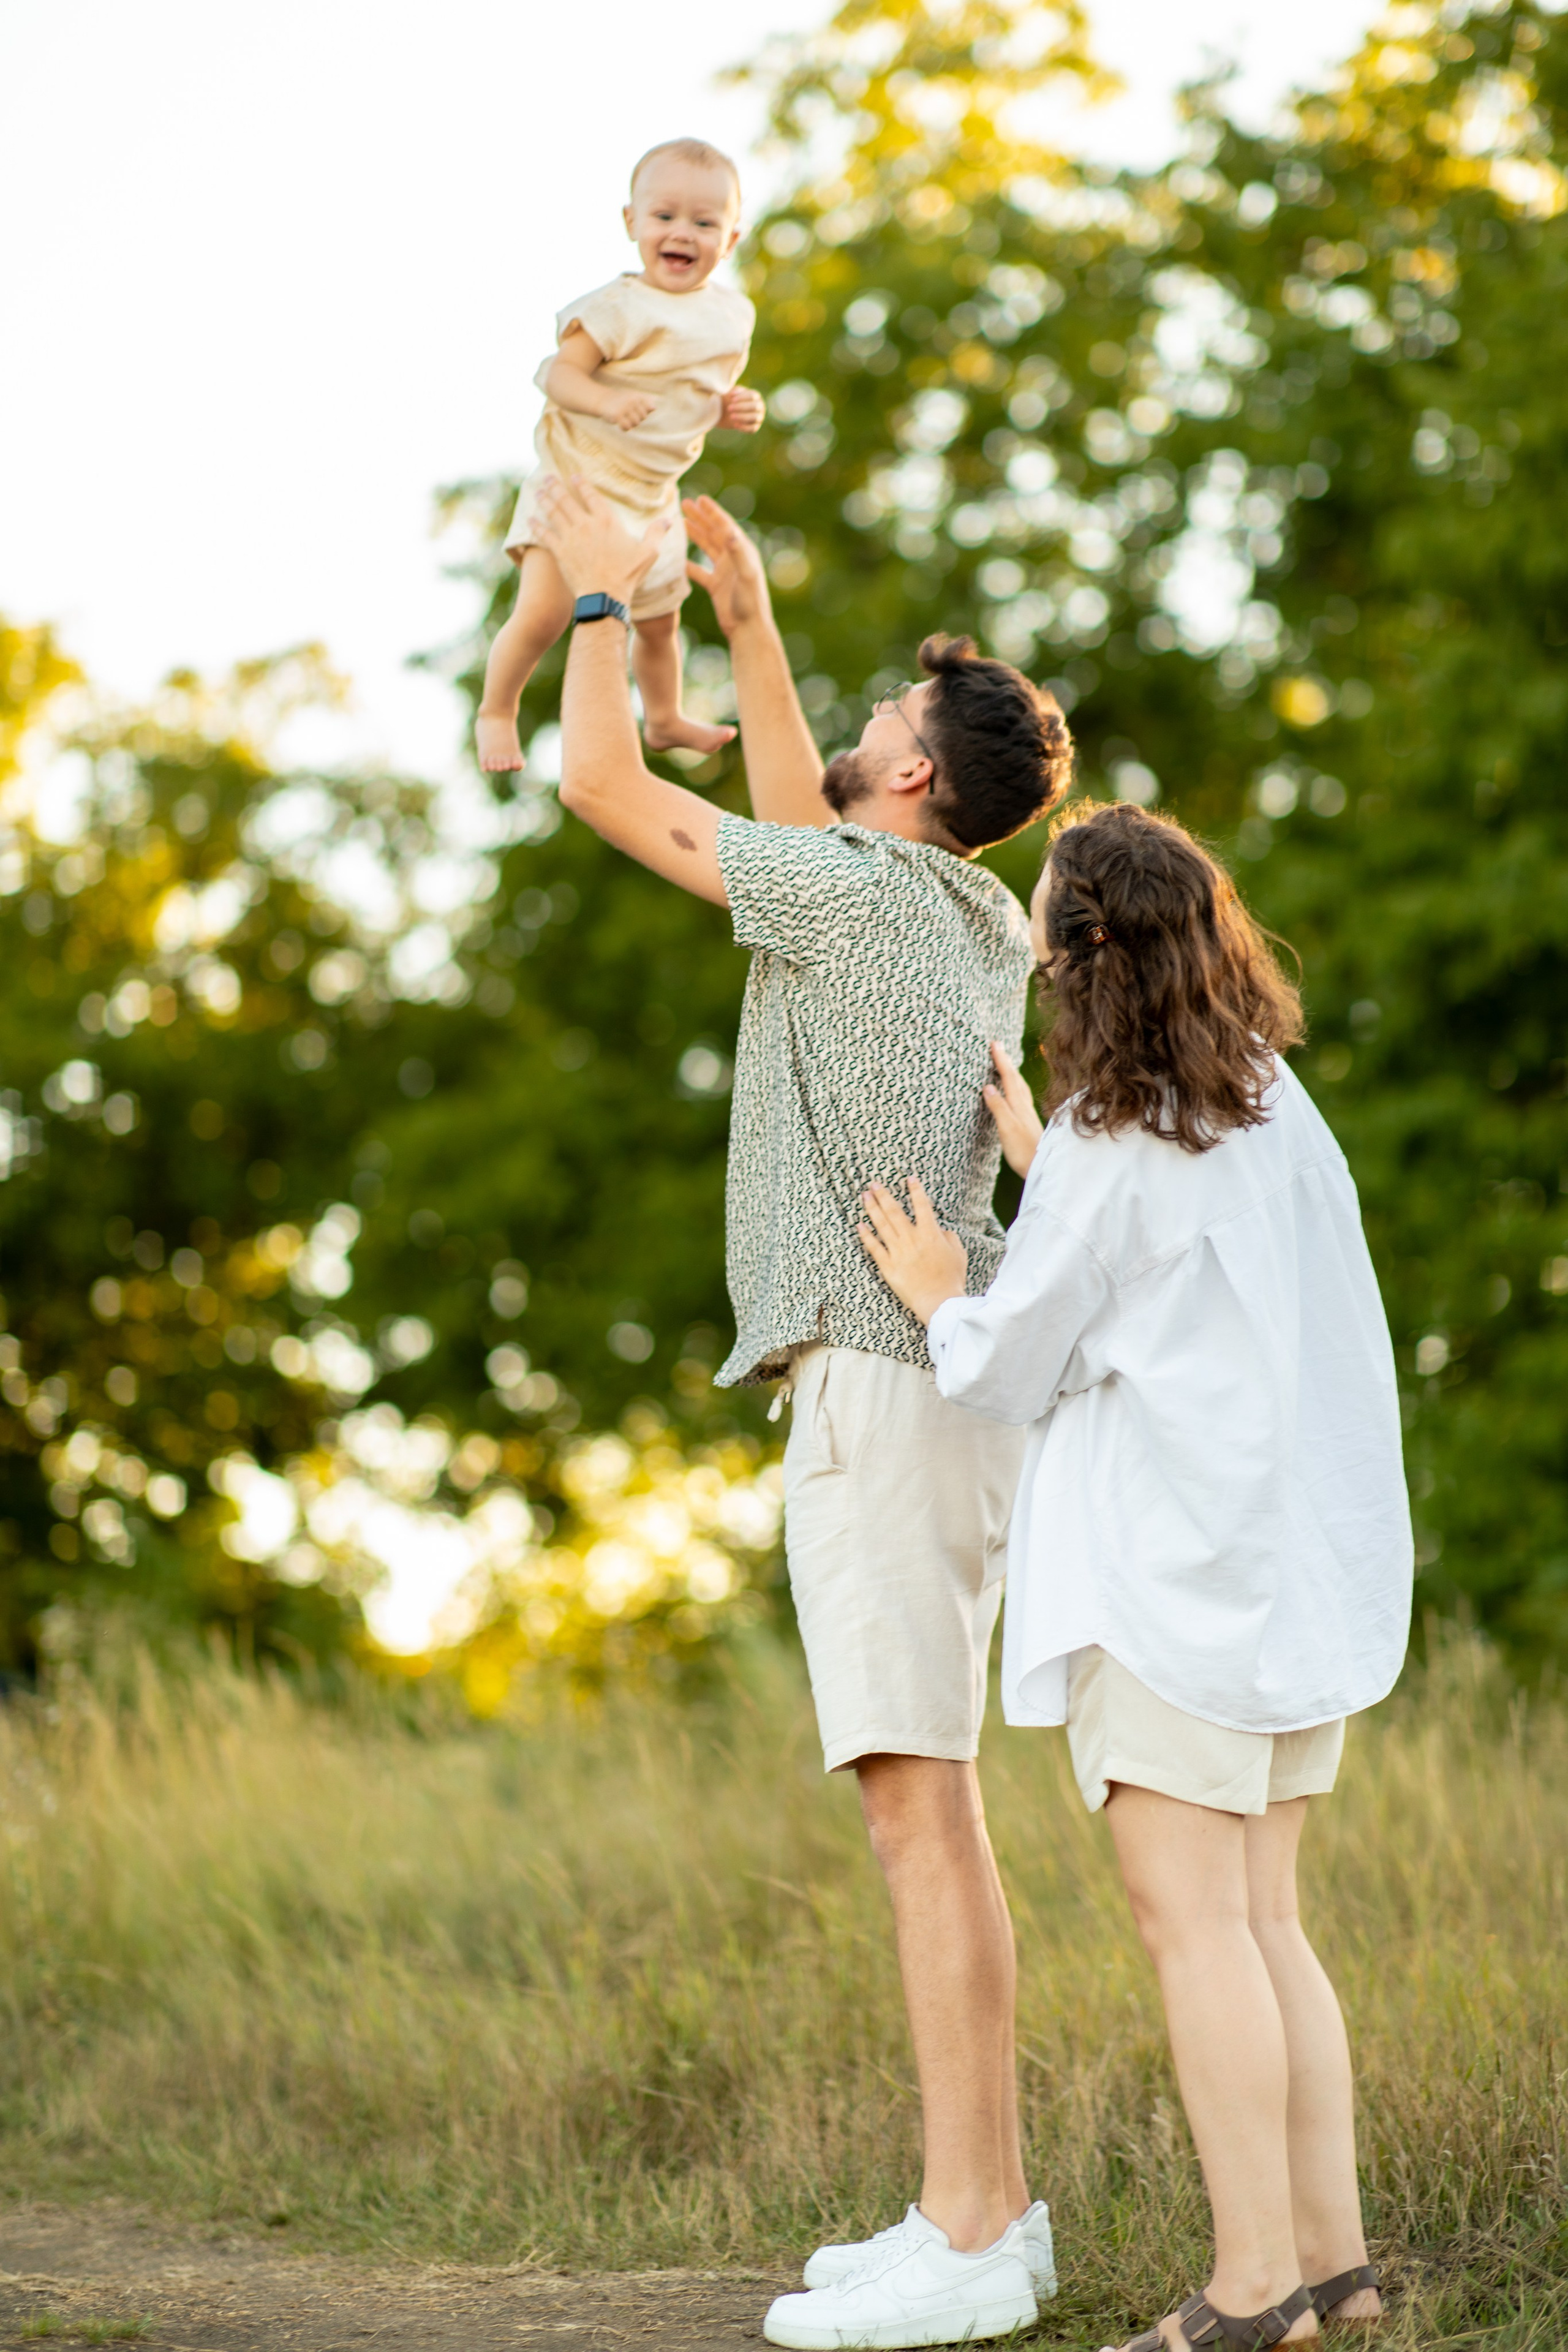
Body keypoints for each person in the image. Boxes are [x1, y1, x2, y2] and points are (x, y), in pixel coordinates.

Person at [531, 471, 1074, 2351]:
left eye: (882, 722)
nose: (855, 731)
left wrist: (607, 606)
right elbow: (798, 827)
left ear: (912, 780)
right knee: (932, 1801)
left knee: (920, 1814)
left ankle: (977, 2225)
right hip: (931, 1386)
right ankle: (976, 2207)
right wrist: (741, 625)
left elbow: (604, 788)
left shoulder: (858, 901)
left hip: (880, 1375)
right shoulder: (962, 912)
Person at [858, 801, 1413, 2352]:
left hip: (1173, 1584)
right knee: (1266, 1921)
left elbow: (1015, 1362)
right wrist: (1049, 1172)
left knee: (1193, 1929)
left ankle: (1248, 2292)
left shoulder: (1111, 1137)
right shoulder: (1266, 1101)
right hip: (1290, 1576)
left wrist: (941, 1292)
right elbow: (1164, 1270)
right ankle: (1335, 2269)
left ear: (1070, 950)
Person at [475, 137, 763, 775]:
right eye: (663, 216)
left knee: (660, 622)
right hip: (579, 481)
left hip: (651, 497)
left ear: (731, 238)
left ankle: (662, 718)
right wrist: (605, 402)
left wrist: (726, 409)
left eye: (703, 222)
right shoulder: (617, 307)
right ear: (631, 222)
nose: (681, 232)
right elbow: (558, 375)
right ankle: (497, 709)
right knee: (545, 612)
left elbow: (688, 395)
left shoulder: (728, 318)